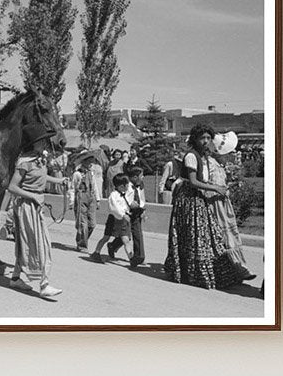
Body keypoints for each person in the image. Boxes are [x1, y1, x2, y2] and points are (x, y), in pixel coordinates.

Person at [163, 124, 246, 290]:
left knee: (206, 235)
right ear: (195, 139)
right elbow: (193, 182)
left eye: (208, 138)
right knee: (195, 236)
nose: (205, 141)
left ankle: (215, 271)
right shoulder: (191, 157)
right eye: (202, 138)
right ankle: (192, 273)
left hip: (198, 198)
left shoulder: (202, 156)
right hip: (188, 199)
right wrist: (215, 188)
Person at [6, 148, 70, 300]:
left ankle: (15, 278)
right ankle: (44, 285)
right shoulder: (24, 163)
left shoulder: (40, 160)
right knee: (42, 245)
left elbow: (42, 176)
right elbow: (12, 187)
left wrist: (59, 181)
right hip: (26, 207)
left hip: (36, 206)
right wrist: (34, 196)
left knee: (25, 243)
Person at [207, 132, 255, 281]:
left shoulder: (219, 165)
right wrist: (220, 189)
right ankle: (235, 269)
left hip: (223, 203)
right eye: (228, 153)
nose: (230, 156)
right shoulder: (210, 164)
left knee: (230, 234)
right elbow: (210, 185)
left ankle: (238, 267)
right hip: (215, 204)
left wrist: (230, 185)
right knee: (224, 235)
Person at [91, 173, 134, 265]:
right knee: (106, 237)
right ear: (121, 186)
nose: (128, 186)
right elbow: (114, 208)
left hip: (123, 220)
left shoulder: (126, 193)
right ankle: (96, 252)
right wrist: (123, 214)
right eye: (127, 185)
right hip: (114, 219)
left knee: (125, 239)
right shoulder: (113, 195)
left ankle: (131, 259)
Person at [107, 166, 146, 266]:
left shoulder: (140, 185)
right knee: (125, 234)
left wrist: (143, 209)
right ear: (134, 177)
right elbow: (122, 198)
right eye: (141, 176)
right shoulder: (126, 185)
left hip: (137, 211)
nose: (143, 178)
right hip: (127, 212)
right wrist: (130, 203)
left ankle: (138, 257)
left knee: (137, 234)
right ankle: (113, 246)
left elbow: (142, 198)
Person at [70, 152, 99, 252]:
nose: (91, 162)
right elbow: (72, 188)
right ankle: (82, 245)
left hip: (91, 198)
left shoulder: (91, 173)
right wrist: (71, 201)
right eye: (89, 160)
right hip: (81, 197)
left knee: (92, 224)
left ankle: (81, 238)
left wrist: (97, 199)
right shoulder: (77, 174)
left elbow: (95, 186)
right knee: (83, 222)